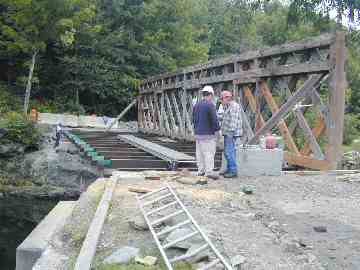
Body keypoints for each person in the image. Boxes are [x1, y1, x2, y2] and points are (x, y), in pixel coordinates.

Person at [193, 85, 220, 180]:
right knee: (208, 153)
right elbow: (214, 120)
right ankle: (208, 172)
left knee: (199, 153)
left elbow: (194, 120)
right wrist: (217, 130)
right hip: (208, 134)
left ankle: (201, 171)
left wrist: (196, 131)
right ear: (210, 95)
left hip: (198, 134)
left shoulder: (196, 105)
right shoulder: (210, 105)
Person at [220, 90, 242, 178]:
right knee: (227, 152)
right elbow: (227, 117)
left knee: (229, 152)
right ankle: (229, 168)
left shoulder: (234, 106)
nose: (221, 101)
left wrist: (231, 133)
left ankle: (233, 171)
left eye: (222, 98)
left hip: (230, 133)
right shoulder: (228, 106)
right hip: (227, 132)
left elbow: (233, 120)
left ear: (227, 98)